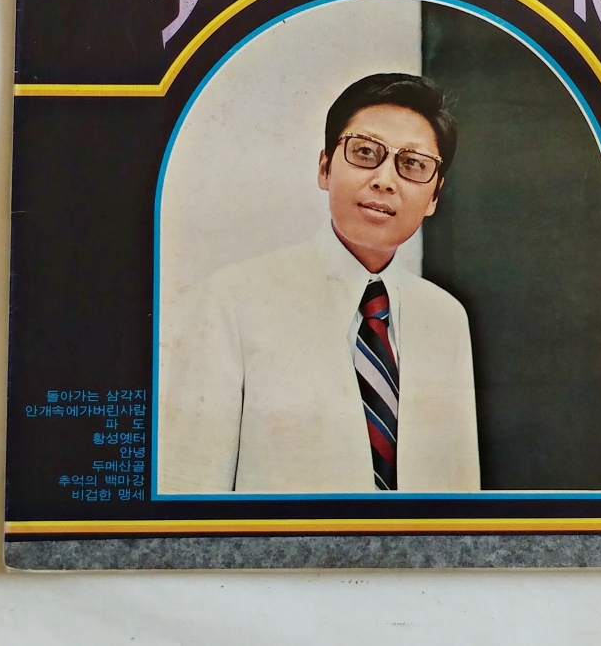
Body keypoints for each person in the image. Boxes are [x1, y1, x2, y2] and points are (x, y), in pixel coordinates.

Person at [158, 73, 480, 493]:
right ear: (325, 167)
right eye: (365, 152)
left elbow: (461, 498)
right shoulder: (230, 301)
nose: (385, 180)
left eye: (412, 164)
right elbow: (187, 491)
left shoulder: (446, 318)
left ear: (434, 195)